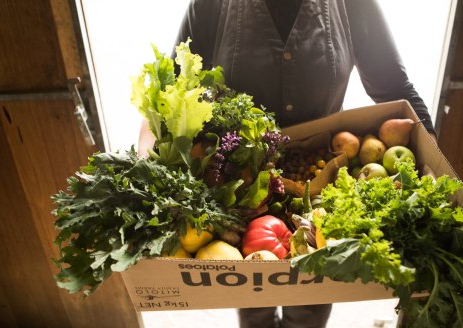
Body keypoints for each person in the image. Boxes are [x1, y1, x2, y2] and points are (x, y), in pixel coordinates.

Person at [140, 0, 437, 327]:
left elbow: (395, 87)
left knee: (311, 306)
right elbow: (171, 95)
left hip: (319, 194)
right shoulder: (212, 5)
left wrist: (434, 161)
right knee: (252, 303)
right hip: (240, 194)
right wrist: (146, 169)